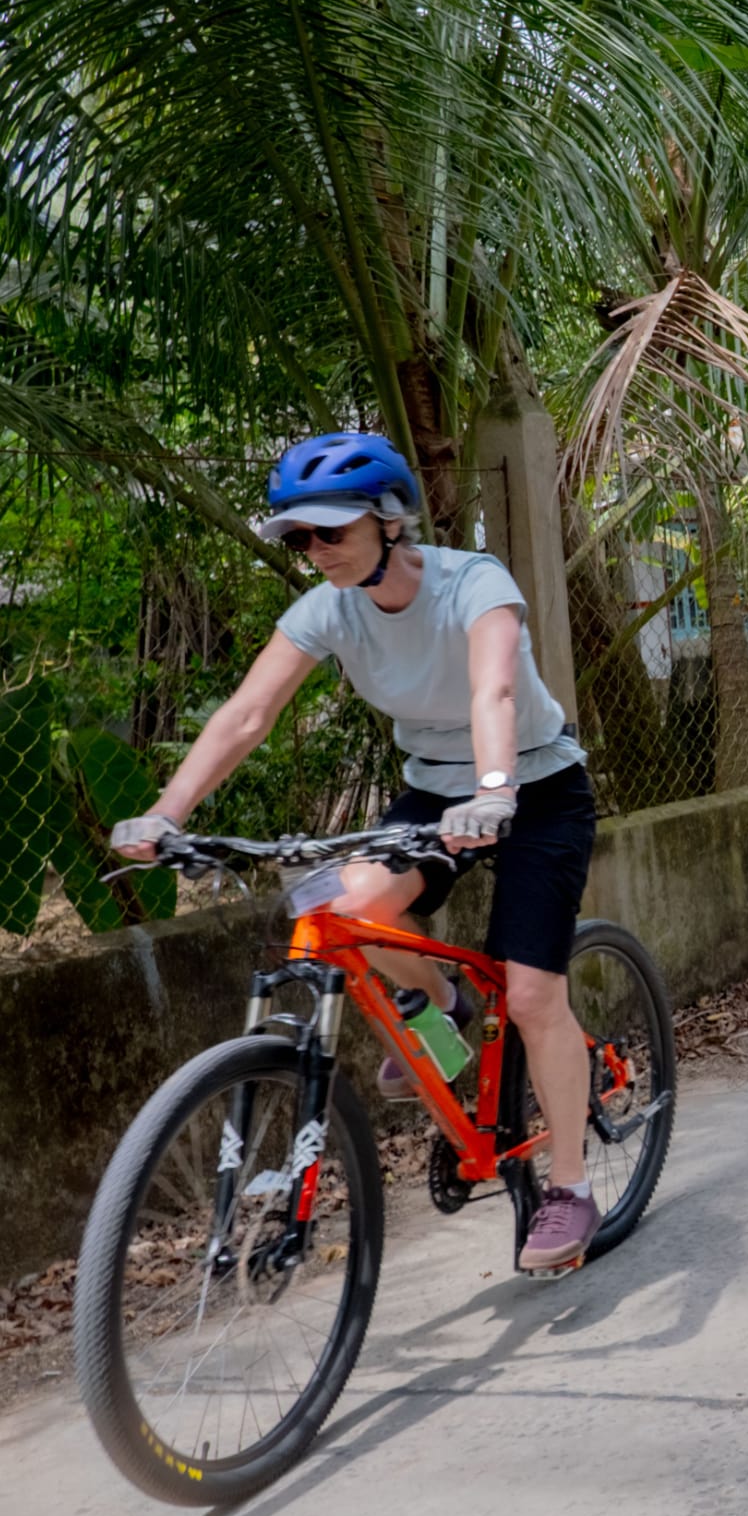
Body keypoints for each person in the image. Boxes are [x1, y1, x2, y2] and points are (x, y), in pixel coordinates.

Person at [109, 431, 606, 1272]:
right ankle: (443, 1007)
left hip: (535, 787)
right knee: (340, 908)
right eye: (299, 537)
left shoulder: (473, 583)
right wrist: (163, 812)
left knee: (530, 996)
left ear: (388, 521)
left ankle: (568, 1186)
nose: (315, 551)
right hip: (435, 790)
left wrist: (492, 790)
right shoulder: (325, 612)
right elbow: (245, 716)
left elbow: (494, 688)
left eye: (329, 532)